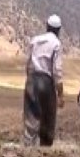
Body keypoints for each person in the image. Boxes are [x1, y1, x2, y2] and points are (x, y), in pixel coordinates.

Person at [23, 14, 64, 147]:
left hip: (32, 79)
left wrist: (29, 81)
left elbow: (28, 63)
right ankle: (45, 150)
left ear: (47, 26)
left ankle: (28, 148)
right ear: (59, 30)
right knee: (48, 116)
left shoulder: (35, 40)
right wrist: (60, 94)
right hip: (46, 82)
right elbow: (57, 70)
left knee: (31, 116)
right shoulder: (56, 43)